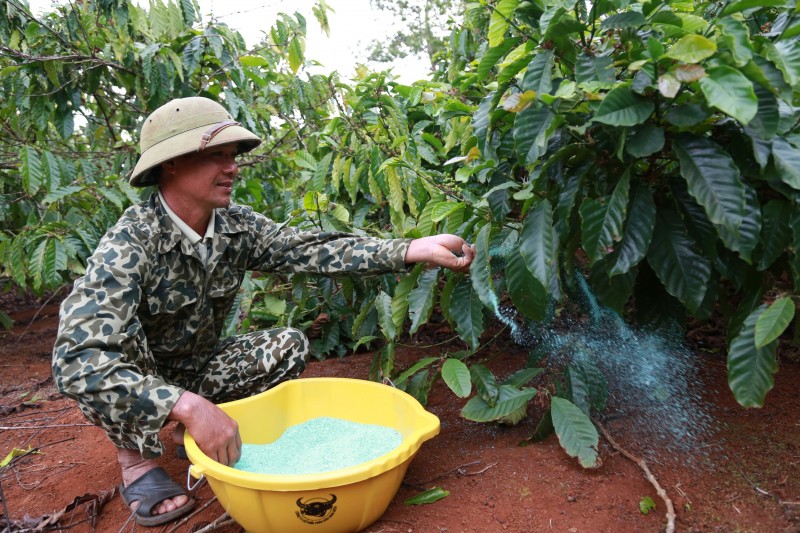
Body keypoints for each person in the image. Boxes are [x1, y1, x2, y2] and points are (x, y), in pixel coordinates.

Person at [51, 96, 475, 527]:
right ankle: (136, 460)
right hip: (141, 379)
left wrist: (410, 249)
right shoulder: (130, 243)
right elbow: (75, 361)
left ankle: (193, 433)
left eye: (233, 156)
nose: (232, 168)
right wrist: (187, 405)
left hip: (197, 367)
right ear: (172, 163)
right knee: (115, 340)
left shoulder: (236, 226)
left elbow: (309, 249)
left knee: (287, 345)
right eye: (217, 155)